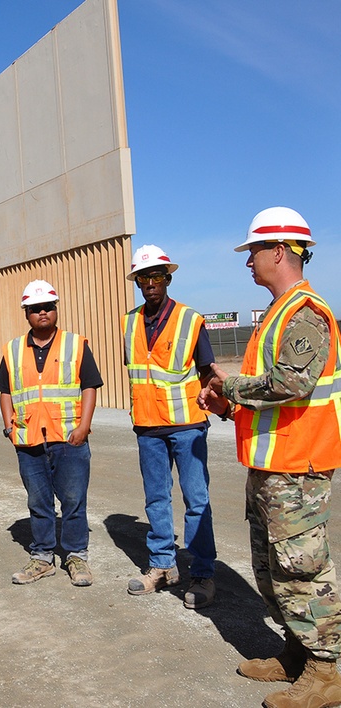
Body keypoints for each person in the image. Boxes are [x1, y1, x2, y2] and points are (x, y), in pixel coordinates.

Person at [200, 207, 341, 707]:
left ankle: (328, 672)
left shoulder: (305, 312)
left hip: (297, 470)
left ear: (279, 250)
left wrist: (231, 385)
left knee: (302, 569)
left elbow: (291, 382)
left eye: (253, 251)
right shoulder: (278, 312)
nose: (248, 262)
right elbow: (268, 402)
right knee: (271, 568)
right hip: (271, 467)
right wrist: (226, 406)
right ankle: (297, 653)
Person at [123, 244, 217, 609]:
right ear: (137, 282)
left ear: (168, 278)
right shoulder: (128, 321)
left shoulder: (190, 319)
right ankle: (162, 566)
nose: (150, 283)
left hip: (187, 425)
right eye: (144, 277)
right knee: (156, 499)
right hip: (147, 426)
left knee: (197, 501)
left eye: (157, 276)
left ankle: (204, 574)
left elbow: (207, 370)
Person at [0, 280, 102, 587]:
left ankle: (76, 556)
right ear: (26, 314)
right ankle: (42, 558)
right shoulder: (13, 350)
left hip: (69, 438)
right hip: (29, 439)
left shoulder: (76, 344)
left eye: (48, 308)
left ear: (55, 310)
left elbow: (89, 386)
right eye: (35, 309)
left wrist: (83, 427)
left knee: (73, 500)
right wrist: (9, 425)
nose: (43, 313)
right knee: (38, 501)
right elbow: (5, 390)